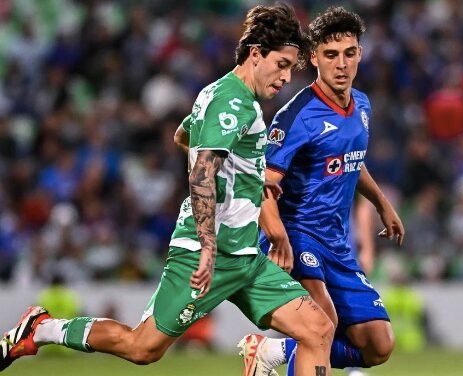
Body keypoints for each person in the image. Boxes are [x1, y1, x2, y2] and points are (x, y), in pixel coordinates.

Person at [1, 5, 335, 376]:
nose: (287, 77)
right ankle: (42, 328)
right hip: (205, 252)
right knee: (142, 348)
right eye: (282, 64)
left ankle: (261, 359)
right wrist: (208, 244)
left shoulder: (222, 94)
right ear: (256, 54)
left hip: (245, 255)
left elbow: (184, 137)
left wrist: (250, 176)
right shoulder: (232, 102)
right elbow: (202, 175)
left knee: (318, 329)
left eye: (292, 68)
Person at [238, 7, 404, 376]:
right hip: (298, 235)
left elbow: (350, 160)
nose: (341, 64)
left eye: (349, 53)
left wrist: (381, 202)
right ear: (313, 57)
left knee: (379, 345)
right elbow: (263, 182)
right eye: (330, 54)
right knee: (321, 324)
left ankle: (272, 351)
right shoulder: (296, 116)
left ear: (360, 53)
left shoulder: (361, 105)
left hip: (336, 243)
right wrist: (277, 235)